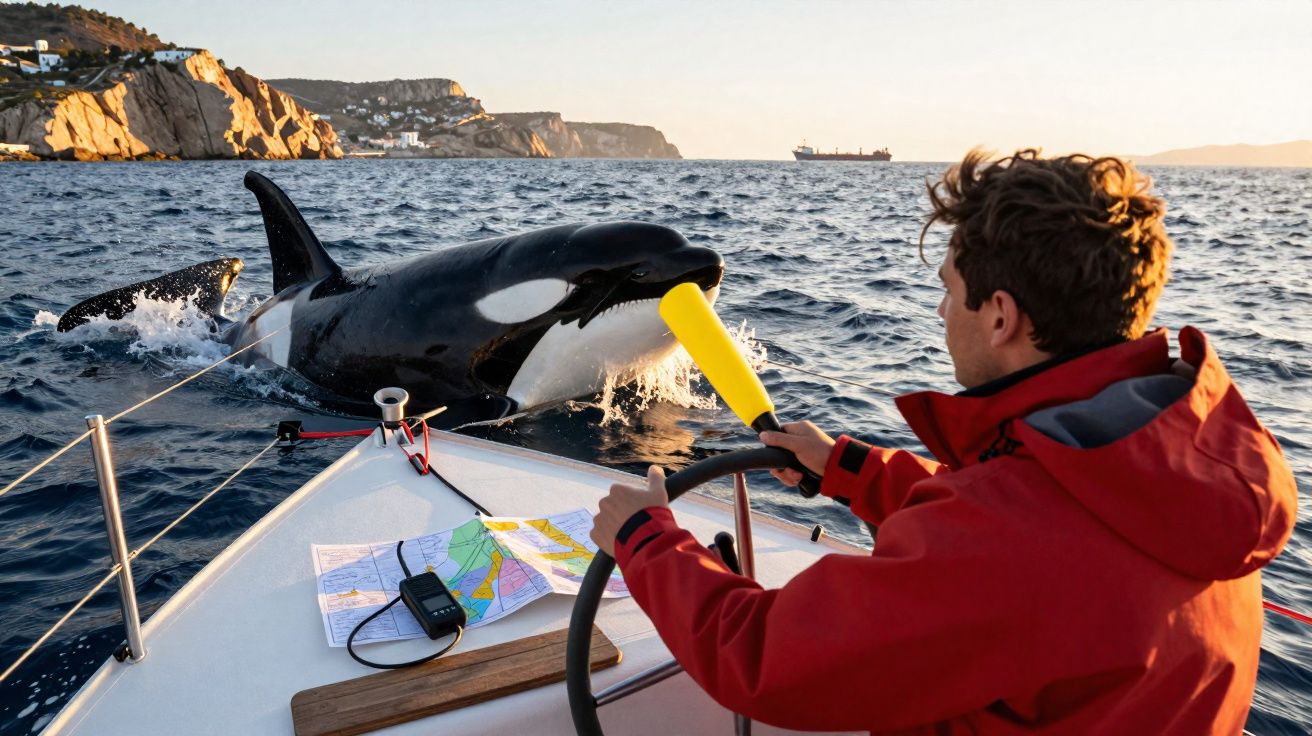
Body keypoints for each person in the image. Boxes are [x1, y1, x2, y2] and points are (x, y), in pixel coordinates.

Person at [590, 149, 1298, 734]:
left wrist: (648, 541)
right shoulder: (1195, 474)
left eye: (948, 289)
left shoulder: (1002, 540)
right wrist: (851, 469)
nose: (937, 310)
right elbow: (1035, 523)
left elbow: (761, 660)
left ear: (999, 318)